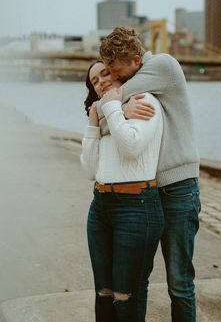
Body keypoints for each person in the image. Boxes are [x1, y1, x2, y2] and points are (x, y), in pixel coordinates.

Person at [97, 27, 201, 322]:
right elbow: (107, 117)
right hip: (150, 193)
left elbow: (108, 105)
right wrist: (113, 111)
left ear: (135, 58)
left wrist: (112, 108)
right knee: (139, 278)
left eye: (114, 69)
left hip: (180, 189)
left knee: (179, 283)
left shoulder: (162, 65)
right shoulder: (140, 77)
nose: (112, 77)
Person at [80, 60, 164, 322]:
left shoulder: (143, 100)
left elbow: (130, 145)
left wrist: (115, 107)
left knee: (125, 296)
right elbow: (90, 169)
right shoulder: (108, 115)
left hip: (136, 209)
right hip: (100, 207)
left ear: (117, 72)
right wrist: (94, 122)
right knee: (103, 293)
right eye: (95, 81)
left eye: (105, 73)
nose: (101, 81)